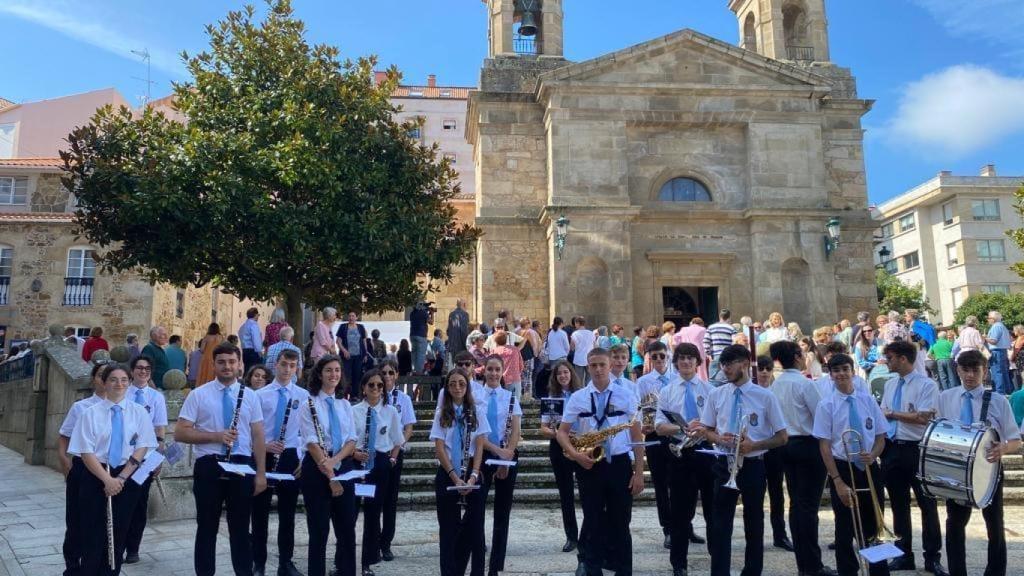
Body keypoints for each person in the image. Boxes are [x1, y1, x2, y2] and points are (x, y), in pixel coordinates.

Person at [174, 343, 268, 576]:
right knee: (206, 527)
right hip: (209, 464)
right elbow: (181, 432)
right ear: (214, 364)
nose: (227, 366)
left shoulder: (250, 396)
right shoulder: (199, 394)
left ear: (239, 365)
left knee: (240, 528)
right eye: (222, 362)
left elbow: (258, 436)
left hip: (241, 463)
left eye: (232, 362)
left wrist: (261, 473)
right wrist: (216, 436)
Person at [700, 344, 788, 576]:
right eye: (723, 365)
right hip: (723, 462)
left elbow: (782, 437)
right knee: (720, 524)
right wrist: (719, 438)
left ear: (745, 364)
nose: (726, 369)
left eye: (731, 364)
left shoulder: (765, 396)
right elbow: (706, 430)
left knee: (754, 522)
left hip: (752, 464)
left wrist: (754, 445)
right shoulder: (716, 394)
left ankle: (752, 571)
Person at [557, 348, 645, 576]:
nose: (598, 369)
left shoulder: (627, 395)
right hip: (589, 465)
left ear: (610, 366)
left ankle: (623, 570)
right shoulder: (578, 398)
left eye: (602, 365)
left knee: (621, 523)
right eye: (593, 365)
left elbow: (637, 437)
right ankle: (592, 568)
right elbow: (562, 433)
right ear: (587, 367)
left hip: (619, 464)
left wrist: (638, 473)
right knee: (593, 520)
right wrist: (576, 456)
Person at [936, 349, 1020, 576]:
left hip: (989, 471)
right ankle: (957, 572)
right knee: (954, 525)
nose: (970, 375)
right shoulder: (945, 398)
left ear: (985, 371)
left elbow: (1014, 439)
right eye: (966, 370)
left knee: (994, 525)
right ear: (958, 370)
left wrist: (1003, 448)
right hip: (957, 472)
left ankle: (995, 572)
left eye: (976, 370)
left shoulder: (999, 400)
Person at [68, 363, 158, 576]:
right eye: (114, 380)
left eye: (124, 380)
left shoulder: (139, 412)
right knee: (93, 531)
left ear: (129, 383)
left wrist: (122, 478)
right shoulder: (89, 413)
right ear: (104, 383)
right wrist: (107, 480)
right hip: (96, 474)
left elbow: (142, 446)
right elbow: (85, 452)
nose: (119, 384)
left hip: (126, 476)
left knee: (119, 531)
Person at [813, 353, 890, 576]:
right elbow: (824, 446)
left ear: (852, 371)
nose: (841, 374)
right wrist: (837, 481)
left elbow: (880, 438)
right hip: (843, 468)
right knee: (845, 529)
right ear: (830, 375)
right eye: (836, 371)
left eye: (845, 369)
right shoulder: (826, 405)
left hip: (868, 467)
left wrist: (873, 454)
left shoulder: (867, 400)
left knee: (875, 525)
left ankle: (878, 571)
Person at [879, 340, 947, 576]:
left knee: (927, 504)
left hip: (917, 449)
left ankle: (932, 557)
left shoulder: (926, 385)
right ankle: (903, 554)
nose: (887, 362)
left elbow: (923, 418)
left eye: (890, 358)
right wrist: (894, 416)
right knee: (898, 505)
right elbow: (884, 414)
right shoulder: (889, 385)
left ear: (903, 358)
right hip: (893, 448)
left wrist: (894, 414)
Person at [768, 341, 835, 576]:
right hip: (806, 445)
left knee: (797, 505)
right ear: (797, 356)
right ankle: (812, 566)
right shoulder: (804, 384)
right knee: (807, 507)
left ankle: (804, 564)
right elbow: (821, 416)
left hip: (785, 445)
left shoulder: (776, 385)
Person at [655, 343, 716, 576]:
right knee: (680, 512)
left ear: (698, 362)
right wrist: (682, 427)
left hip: (706, 453)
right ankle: (678, 563)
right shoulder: (668, 391)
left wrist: (704, 428)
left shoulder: (709, 389)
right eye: (682, 359)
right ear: (676, 362)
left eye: (691, 358)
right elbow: (659, 426)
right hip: (680, 455)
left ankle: (717, 556)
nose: (687, 362)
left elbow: (718, 420)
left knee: (713, 510)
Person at [298, 355, 357, 576]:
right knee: (319, 531)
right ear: (320, 374)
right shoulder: (308, 405)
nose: (334, 375)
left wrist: (336, 461)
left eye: (337, 370)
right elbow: (312, 444)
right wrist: (330, 473)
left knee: (347, 531)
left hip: (342, 463)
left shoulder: (344, 404)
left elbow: (351, 440)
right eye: (329, 370)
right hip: (317, 467)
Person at [251, 349, 307, 576]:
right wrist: (265, 446)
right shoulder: (260, 395)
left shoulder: (303, 396)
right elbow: (252, 429)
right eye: (284, 364)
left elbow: (307, 430)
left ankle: (285, 562)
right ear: (276, 365)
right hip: (264, 456)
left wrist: (303, 458)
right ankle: (259, 563)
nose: (287, 370)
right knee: (260, 513)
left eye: (292, 366)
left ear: (297, 369)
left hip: (290, 456)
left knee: (288, 514)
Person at [431, 367, 489, 576]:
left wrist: (473, 475)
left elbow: (480, 445)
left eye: (461, 384)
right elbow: (439, 447)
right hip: (448, 473)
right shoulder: (441, 413)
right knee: (447, 530)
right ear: (447, 387)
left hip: (472, 472)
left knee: (475, 529)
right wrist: (454, 477)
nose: (457, 387)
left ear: (468, 386)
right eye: (453, 383)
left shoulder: (477, 411)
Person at [351, 370, 404, 576]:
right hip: (356, 464)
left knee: (373, 516)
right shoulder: (353, 410)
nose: (375, 389)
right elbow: (346, 439)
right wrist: (354, 453)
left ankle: (366, 562)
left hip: (379, 465)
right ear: (363, 388)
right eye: (371, 385)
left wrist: (391, 459)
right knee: (350, 514)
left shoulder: (390, 411)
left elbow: (397, 440)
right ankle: (343, 560)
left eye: (379, 385)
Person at [58, 362, 108, 576]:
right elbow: (64, 438)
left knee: (103, 522)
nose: (107, 380)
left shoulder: (126, 408)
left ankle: (96, 565)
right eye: (101, 375)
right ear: (94, 379)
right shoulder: (81, 407)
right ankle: (73, 566)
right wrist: (66, 465)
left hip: (110, 469)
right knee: (77, 520)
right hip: (83, 468)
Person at [478, 355, 522, 576]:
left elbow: (515, 430)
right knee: (477, 509)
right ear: (484, 371)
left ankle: (496, 564)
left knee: (502, 512)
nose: (494, 373)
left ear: (503, 371)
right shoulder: (476, 396)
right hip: (482, 455)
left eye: (498, 370)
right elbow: (476, 432)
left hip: (507, 454)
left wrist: (506, 458)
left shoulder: (510, 397)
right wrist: (497, 452)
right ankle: (478, 557)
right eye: (490, 369)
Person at [122, 355, 169, 565]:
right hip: (122, 456)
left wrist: (158, 458)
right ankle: (117, 545)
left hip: (146, 458)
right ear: (132, 371)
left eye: (147, 369)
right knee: (120, 502)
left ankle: (133, 548)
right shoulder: (123, 393)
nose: (143, 372)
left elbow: (160, 428)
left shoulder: (156, 397)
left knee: (139, 504)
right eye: (139, 368)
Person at [539, 360, 582, 553]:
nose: (563, 376)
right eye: (559, 374)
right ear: (555, 378)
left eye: (566, 372)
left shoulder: (583, 395)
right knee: (566, 494)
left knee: (589, 492)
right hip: (559, 447)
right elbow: (543, 428)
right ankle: (571, 536)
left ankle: (590, 534)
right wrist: (559, 434)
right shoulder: (551, 398)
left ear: (571, 374)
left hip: (582, 445)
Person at [635, 341, 674, 549]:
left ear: (668, 355)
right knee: (660, 483)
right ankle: (667, 528)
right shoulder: (643, 382)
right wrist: (643, 426)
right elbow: (638, 409)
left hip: (677, 435)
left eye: (662, 355)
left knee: (682, 483)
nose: (659, 360)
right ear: (649, 358)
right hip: (654, 436)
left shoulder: (678, 378)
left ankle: (684, 524)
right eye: (654, 357)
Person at [755, 356, 792, 554]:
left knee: (777, 492)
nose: (764, 372)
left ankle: (780, 535)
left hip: (775, 446)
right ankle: (757, 535)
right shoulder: (751, 392)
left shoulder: (777, 392)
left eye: (768, 368)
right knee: (757, 494)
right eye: (760, 368)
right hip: (755, 447)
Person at [379, 360, 415, 561]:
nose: (386, 376)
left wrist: (398, 446)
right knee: (375, 498)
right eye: (383, 372)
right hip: (377, 452)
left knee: (390, 500)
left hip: (395, 451)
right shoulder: (374, 395)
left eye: (390, 372)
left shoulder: (404, 399)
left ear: (396, 375)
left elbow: (408, 426)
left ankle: (386, 543)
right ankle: (374, 540)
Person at [337, 312, 368, 399]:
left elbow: (364, 341)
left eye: (353, 316)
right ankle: (344, 395)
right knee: (346, 375)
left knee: (356, 375)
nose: (351, 317)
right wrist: (344, 351)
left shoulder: (361, 327)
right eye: (349, 316)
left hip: (358, 356)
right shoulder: (343, 327)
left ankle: (354, 395)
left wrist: (365, 354)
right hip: (347, 356)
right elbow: (338, 342)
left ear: (357, 317)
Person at [704, 309, 737, 383]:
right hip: (728, 356)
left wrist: (708, 354)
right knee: (728, 378)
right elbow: (735, 342)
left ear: (720, 316)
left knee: (713, 380)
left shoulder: (711, 327)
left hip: (715, 355)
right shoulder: (731, 328)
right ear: (729, 317)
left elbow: (706, 341)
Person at [986, 311, 1013, 395]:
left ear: (993, 319)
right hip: (1002, 351)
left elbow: (994, 341)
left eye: (989, 318)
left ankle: (999, 393)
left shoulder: (996, 327)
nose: (988, 320)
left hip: (996, 351)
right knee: (1004, 372)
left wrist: (984, 338)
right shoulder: (1002, 326)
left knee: (997, 373)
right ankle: (1008, 392)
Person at [490, 332, 524, 400]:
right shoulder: (515, 350)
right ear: (506, 339)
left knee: (500, 405)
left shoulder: (494, 351)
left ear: (495, 340)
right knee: (515, 405)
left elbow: (490, 366)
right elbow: (521, 366)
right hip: (515, 380)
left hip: (499, 380)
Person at [569, 316, 596, 383]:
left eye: (575, 323)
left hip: (579, 359)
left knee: (578, 380)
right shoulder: (591, 333)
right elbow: (594, 346)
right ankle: (588, 393)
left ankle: (579, 392)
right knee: (589, 380)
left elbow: (572, 348)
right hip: (589, 359)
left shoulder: (575, 334)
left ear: (577, 323)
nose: (575, 325)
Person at [410, 302, 434, 374]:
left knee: (414, 353)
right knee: (421, 354)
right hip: (421, 336)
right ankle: (419, 371)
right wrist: (432, 313)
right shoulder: (423, 313)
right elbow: (431, 322)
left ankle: (414, 369)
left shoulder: (412, 313)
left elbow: (420, 320)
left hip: (413, 335)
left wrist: (427, 313)